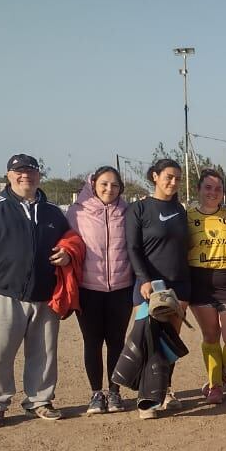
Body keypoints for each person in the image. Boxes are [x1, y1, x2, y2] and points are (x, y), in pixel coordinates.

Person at [0, 154, 75, 427]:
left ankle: (39, 401)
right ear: (9, 176)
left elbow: (70, 241)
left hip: (46, 296)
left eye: (31, 171)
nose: (26, 176)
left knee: (44, 354)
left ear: (39, 176)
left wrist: (68, 254)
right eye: (19, 171)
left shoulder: (52, 212)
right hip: (4, 295)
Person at [65, 166, 134, 415]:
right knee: (92, 342)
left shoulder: (128, 212)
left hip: (121, 288)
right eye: (104, 184)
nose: (109, 189)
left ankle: (115, 392)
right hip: (88, 289)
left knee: (116, 342)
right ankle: (96, 393)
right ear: (93, 184)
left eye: (115, 185)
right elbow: (66, 240)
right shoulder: (77, 212)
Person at [125, 157, 190, 418]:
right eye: (168, 177)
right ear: (155, 176)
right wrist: (144, 279)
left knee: (169, 343)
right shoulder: (138, 209)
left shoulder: (181, 210)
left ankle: (166, 390)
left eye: (177, 178)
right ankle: (147, 398)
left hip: (180, 285)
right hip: (149, 285)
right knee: (148, 339)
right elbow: (133, 248)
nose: (173, 182)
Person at [187, 168, 226, 405]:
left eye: (218, 188)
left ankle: (220, 376)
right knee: (211, 335)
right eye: (208, 187)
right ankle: (215, 387)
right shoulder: (187, 216)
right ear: (199, 189)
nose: (213, 192)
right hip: (199, 282)